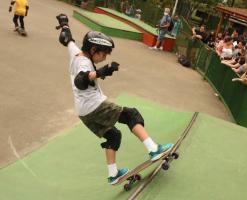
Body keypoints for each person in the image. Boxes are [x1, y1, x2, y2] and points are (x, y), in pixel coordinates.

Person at [55, 14, 173, 185]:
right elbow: (80, 81)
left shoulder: (76, 52)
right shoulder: (84, 64)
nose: (105, 57)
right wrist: (102, 71)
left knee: (113, 135)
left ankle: (113, 174)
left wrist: (64, 25)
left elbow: (66, 39)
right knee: (131, 115)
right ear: (94, 50)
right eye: (104, 54)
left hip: (83, 112)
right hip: (95, 106)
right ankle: (154, 149)